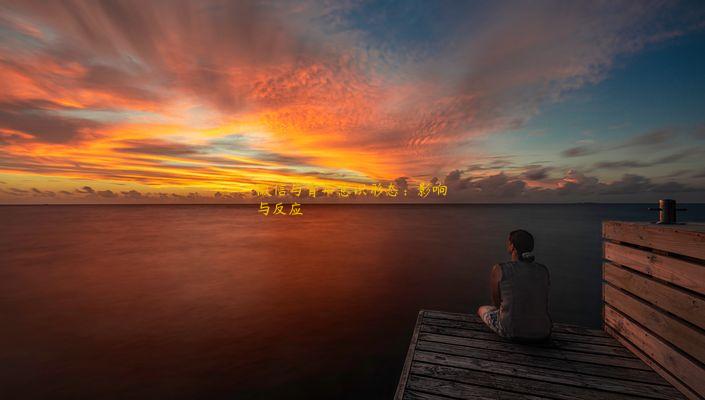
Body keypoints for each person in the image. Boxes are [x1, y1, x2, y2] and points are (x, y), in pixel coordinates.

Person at [477, 229, 552, 341]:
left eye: (509, 242)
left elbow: (497, 303)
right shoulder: (543, 270)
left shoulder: (500, 269)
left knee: (482, 309)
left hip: (511, 330)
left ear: (512, 247)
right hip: (543, 331)